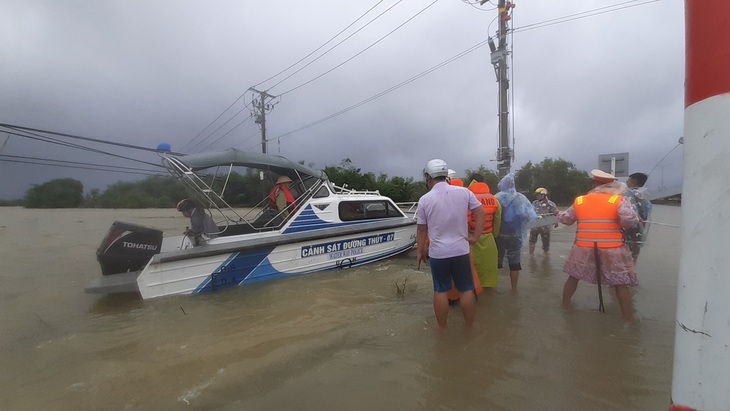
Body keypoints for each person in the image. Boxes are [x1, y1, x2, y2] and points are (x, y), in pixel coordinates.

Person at [558, 169, 640, 321]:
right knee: (620, 283)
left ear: (594, 183)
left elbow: (566, 219)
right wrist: (635, 218)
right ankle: (628, 321)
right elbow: (629, 221)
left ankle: (565, 307)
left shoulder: (580, 200)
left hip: (583, 248)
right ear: (611, 185)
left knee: (573, 277)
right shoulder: (618, 200)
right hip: (612, 249)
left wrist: (557, 213)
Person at [416, 159, 486, 331]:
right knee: (466, 290)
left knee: (440, 291)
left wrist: (419, 252)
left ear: (428, 177)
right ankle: (469, 328)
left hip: (439, 253)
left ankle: (442, 330)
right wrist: (475, 237)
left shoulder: (425, 199)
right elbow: (481, 213)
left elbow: (421, 230)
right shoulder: (464, 192)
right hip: (461, 250)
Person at [494, 173, 537, 291]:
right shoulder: (521, 198)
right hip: (515, 235)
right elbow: (531, 215)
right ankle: (514, 289)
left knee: (495, 262)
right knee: (514, 263)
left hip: (499, 235)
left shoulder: (497, 197)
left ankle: (493, 290)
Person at [466, 174, 502, 294]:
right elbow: (497, 221)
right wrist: (495, 235)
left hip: (470, 238)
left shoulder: (468, 198)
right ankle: (487, 304)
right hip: (488, 238)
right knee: (488, 272)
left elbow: (465, 220)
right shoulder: (494, 199)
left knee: (472, 272)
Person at [624, 172, 652, 261]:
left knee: (624, 261)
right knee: (633, 258)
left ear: (633, 182)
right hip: (639, 233)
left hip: (627, 233)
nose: (626, 182)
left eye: (628, 180)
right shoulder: (645, 197)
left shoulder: (627, 194)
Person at [528, 187, 560, 255]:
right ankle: (531, 256)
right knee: (532, 241)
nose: (537, 196)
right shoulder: (534, 203)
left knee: (545, 244)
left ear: (544, 195)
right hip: (535, 225)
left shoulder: (550, 204)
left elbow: (556, 213)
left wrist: (556, 221)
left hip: (545, 227)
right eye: (536, 195)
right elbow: (529, 212)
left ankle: (545, 257)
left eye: (538, 194)